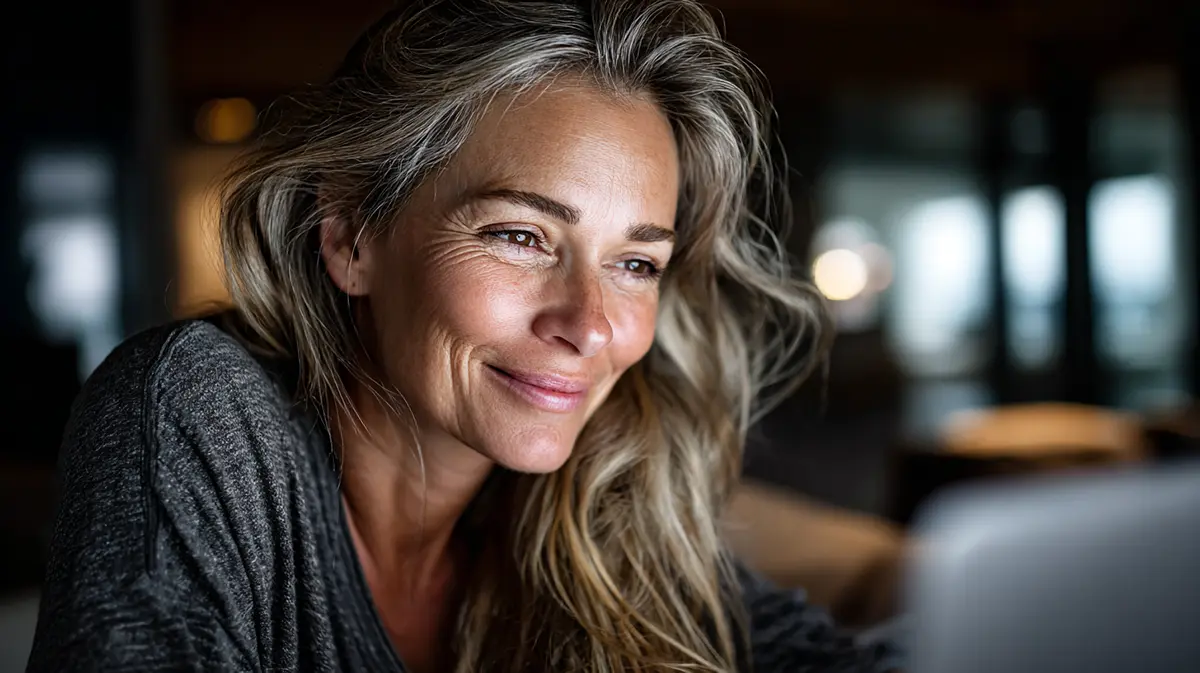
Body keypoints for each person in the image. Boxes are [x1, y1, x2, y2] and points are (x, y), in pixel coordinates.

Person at [27, 1, 902, 671]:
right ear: (351, 236)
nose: (590, 324)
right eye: (521, 236)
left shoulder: (604, 498)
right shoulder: (196, 410)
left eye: (636, 262)